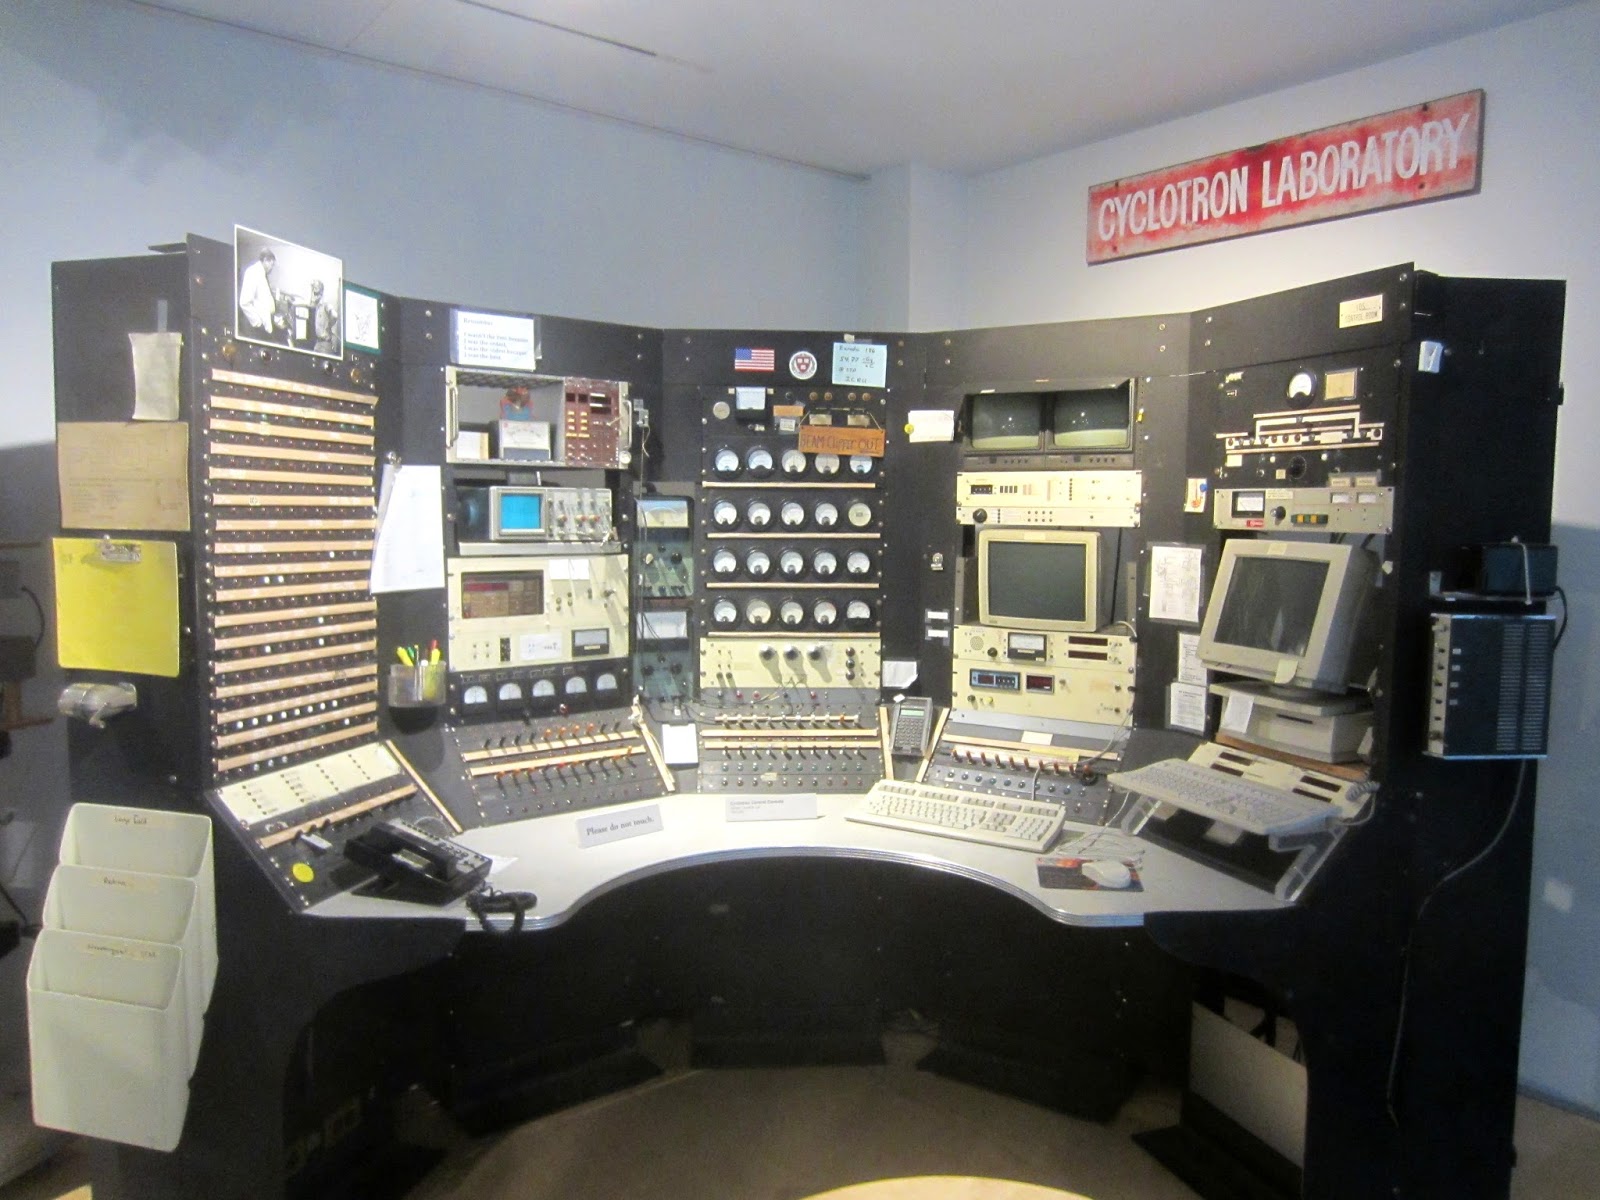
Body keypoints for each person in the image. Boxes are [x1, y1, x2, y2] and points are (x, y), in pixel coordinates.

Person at [238, 249, 281, 341]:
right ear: (265, 260)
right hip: (256, 328)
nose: (271, 268)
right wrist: (258, 323)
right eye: (271, 265)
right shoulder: (253, 272)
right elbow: (244, 302)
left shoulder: (261, 274)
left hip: (263, 326)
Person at [308, 280, 339, 354]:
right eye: (313, 288)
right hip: (317, 343)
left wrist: (328, 325)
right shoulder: (315, 307)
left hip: (325, 344)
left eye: (316, 288)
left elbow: (335, 315)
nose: (314, 291)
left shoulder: (325, 305)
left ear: (321, 291)